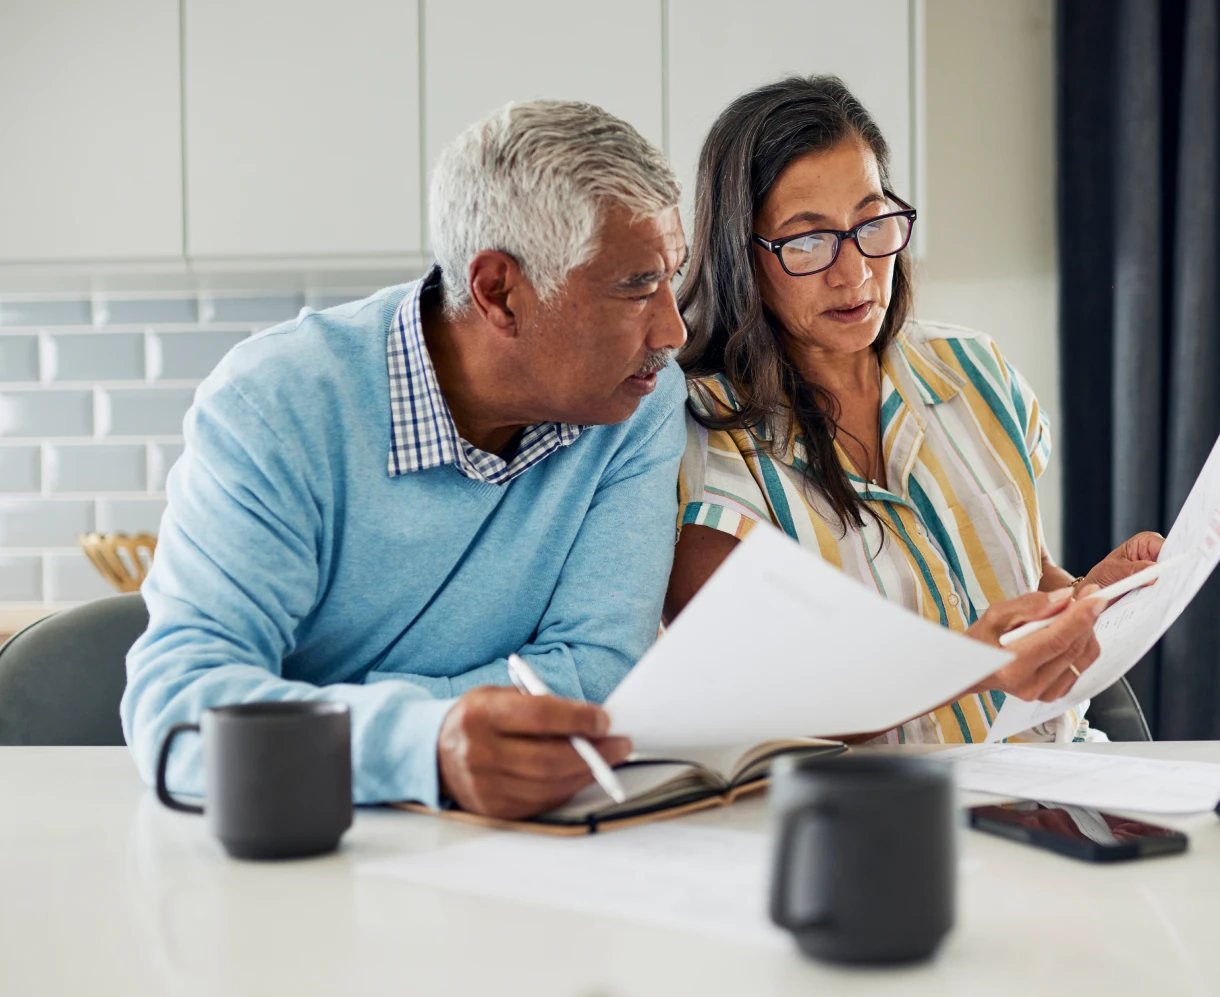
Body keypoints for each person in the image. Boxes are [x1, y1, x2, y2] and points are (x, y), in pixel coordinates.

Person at [123, 100, 689, 819]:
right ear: (499, 293)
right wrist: (426, 745)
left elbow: (596, 678)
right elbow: (181, 709)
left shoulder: (639, 399)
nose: (672, 328)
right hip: (301, 842)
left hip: (514, 848)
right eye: (637, 286)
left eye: (674, 276)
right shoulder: (277, 404)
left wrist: (337, 723)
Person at [666, 76, 1164, 743]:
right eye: (807, 242)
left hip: (1061, 780)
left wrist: (1087, 599)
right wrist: (972, 668)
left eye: (871, 223)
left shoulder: (975, 370)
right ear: (741, 254)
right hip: (881, 821)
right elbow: (758, 700)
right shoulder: (697, 444)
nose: (855, 274)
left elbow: (1024, 569)